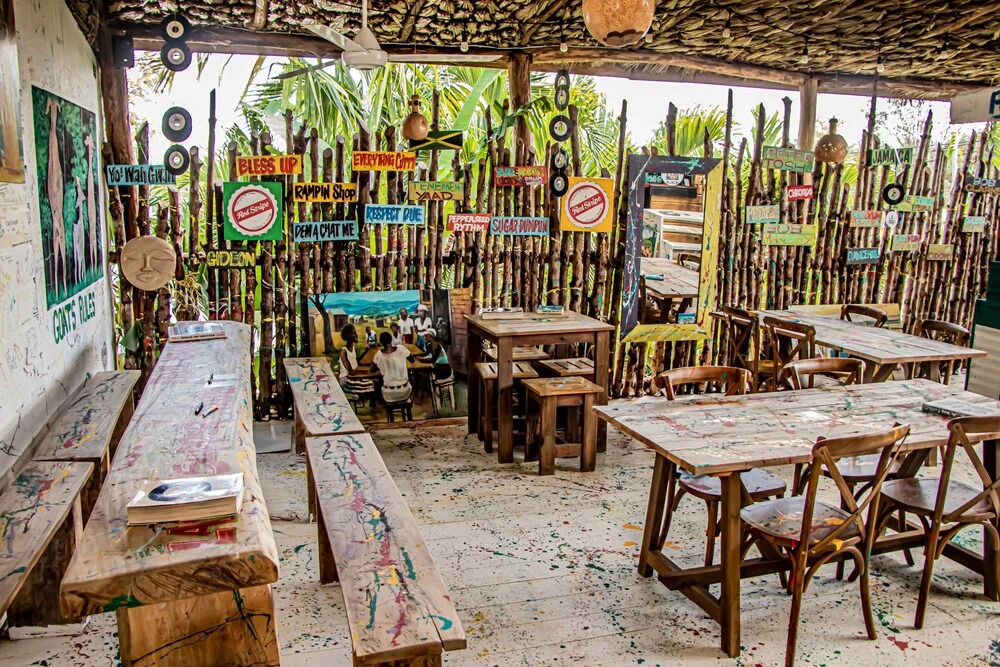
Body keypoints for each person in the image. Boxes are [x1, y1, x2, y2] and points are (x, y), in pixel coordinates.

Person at [373, 331, 415, 404]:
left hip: (388, 395)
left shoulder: (378, 354)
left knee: (377, 381)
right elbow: (412, 360)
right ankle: (412, 397)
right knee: (412, 376)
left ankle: (379, 404)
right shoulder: (401, 348)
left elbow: (372, 369)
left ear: (381, 342)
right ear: (391, 339)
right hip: (405, 392)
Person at [338, 324, 375, 395]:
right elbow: (351, 371)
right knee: (371, 383)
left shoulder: (353, 348)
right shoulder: (343, 351)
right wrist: (370, 374)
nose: (356, 335)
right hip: (346, 380)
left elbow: (357, 362)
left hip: (353, 377)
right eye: (354, 333)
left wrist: (367, 351)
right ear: (348, 336)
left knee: (372, 382)